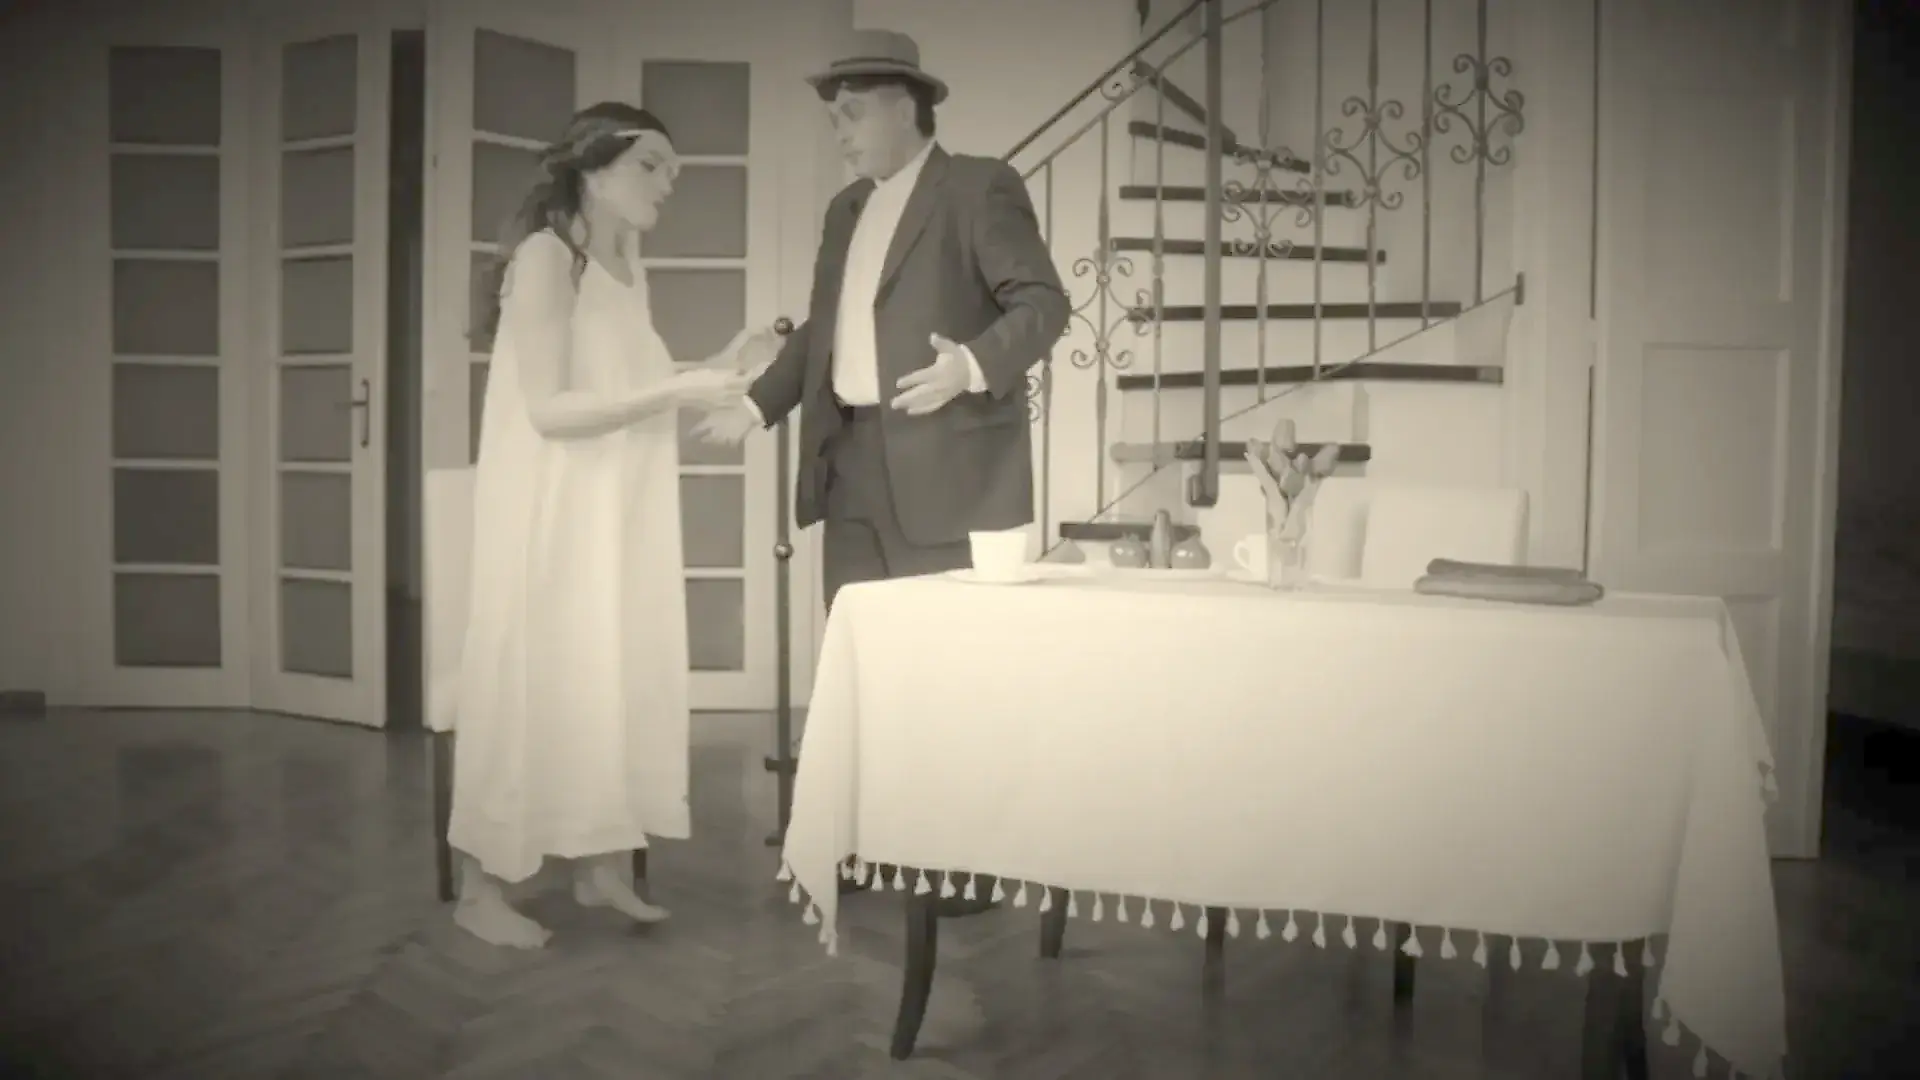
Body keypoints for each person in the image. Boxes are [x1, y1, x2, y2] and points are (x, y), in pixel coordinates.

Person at [695, 31, 1069, 915]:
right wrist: (758, 405)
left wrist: (969, 366)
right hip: (851, 462)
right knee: (864, 670)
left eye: (852, 114)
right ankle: (879, 843)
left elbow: (1045, 304)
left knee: (953, 675)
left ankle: (969, 864)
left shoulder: (978, 186)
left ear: (906, 106)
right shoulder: (844, 211)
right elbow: (823, 335)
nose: (840, 133)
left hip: (950, 468)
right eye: (834, 118)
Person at [447, 102, 783, 949]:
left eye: (674, 169)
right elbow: (552, 409)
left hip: (619, 506)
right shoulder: (545, 257)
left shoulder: (629, 265)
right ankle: (479, 889)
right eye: (651, 164)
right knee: (533, 680)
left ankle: (599, 868)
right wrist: (678, 389)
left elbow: (626, 384)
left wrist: (723, 362)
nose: (669, 182)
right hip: (552, 510)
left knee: (611, 673)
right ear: (593, 170)